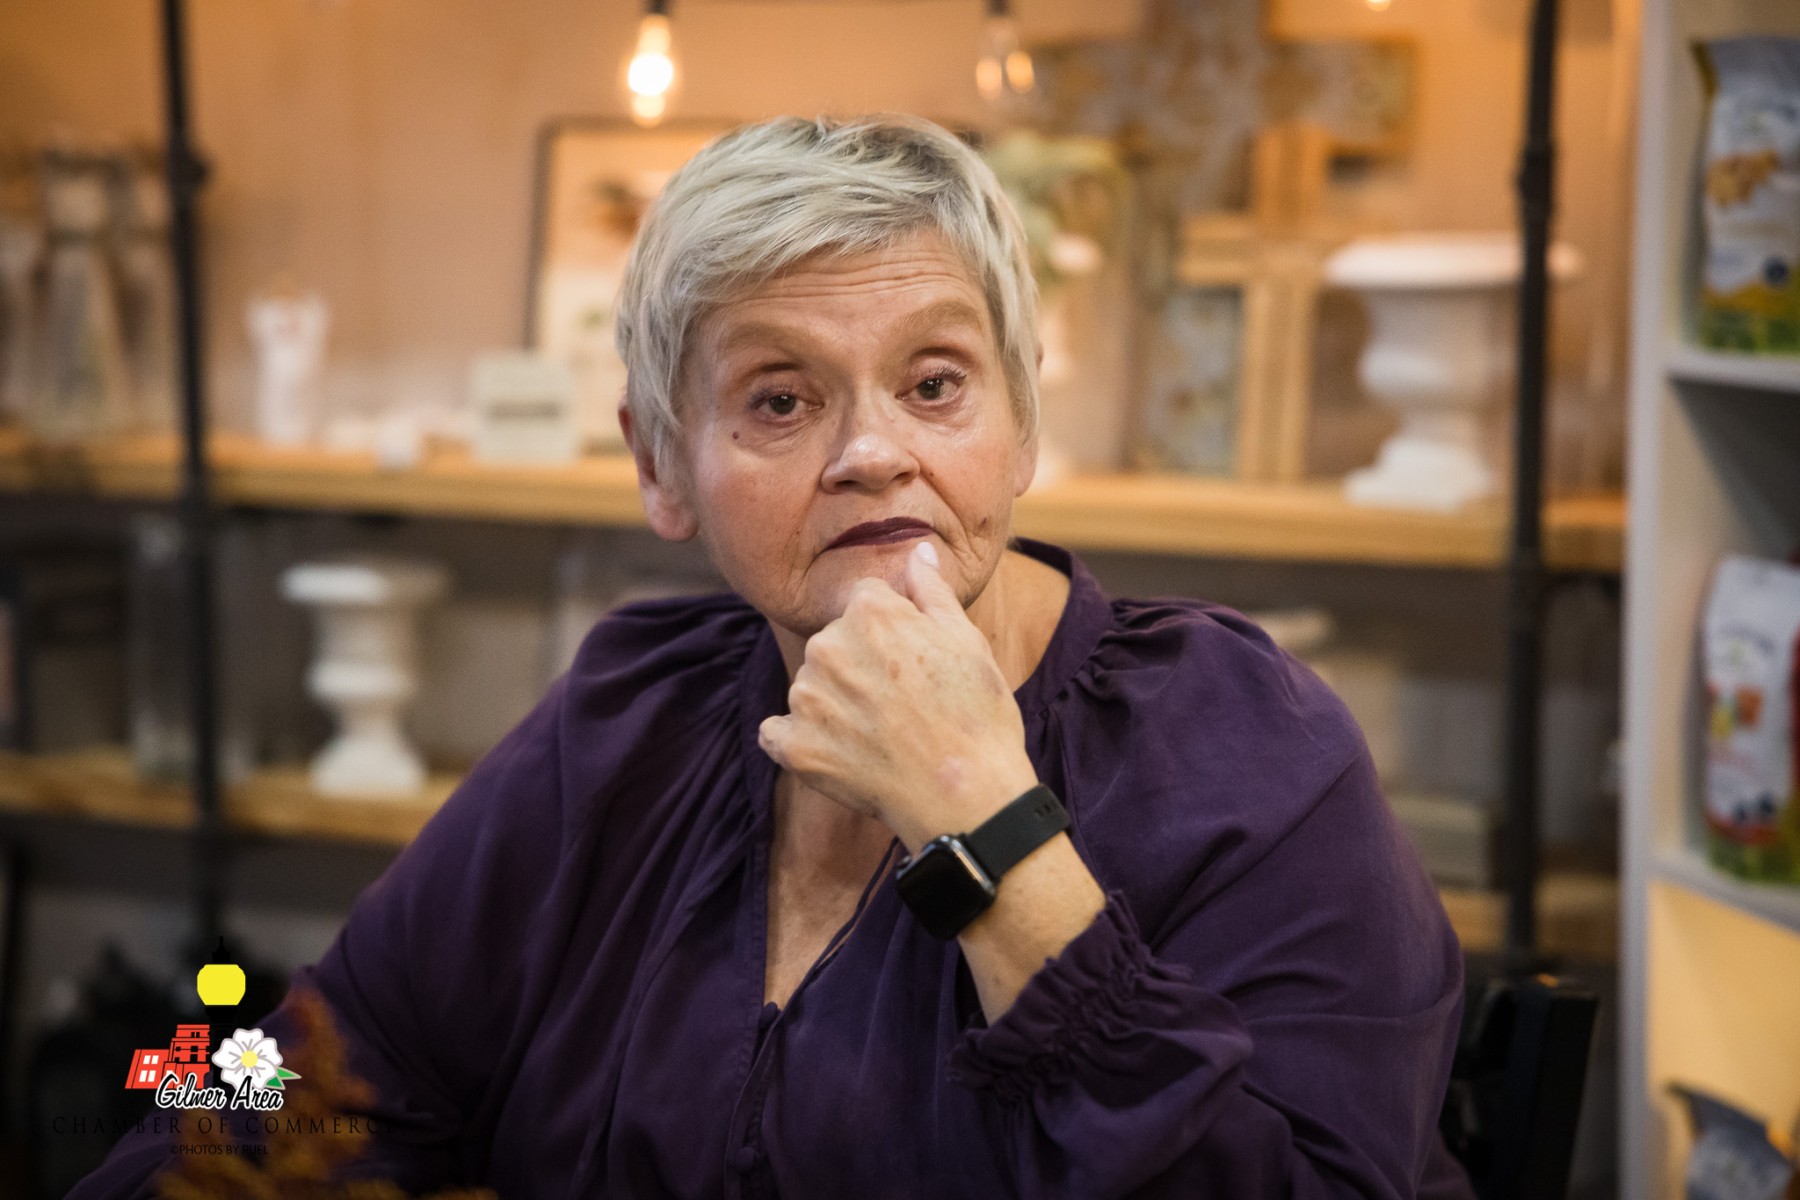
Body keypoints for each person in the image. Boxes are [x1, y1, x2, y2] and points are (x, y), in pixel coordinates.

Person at [75, 114, 1475, 1199]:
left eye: (936, 383)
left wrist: (986, 823)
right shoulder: (635, 712)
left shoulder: (1245, 751)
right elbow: (318, 1063)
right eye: (781, 400)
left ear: (1025, 424)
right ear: (658, 465)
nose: (874, 452)